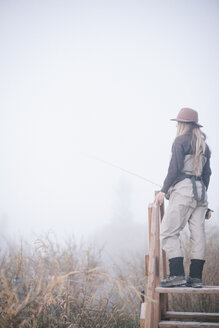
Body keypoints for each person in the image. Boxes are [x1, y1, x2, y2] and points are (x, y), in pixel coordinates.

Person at [154, 107, 211, 288]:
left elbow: (174, 168)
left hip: (184, 191)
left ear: (183, 124)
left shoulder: (180, 141)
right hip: (201, 194)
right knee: (198, 236)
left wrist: (163, 190)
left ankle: (177, 275)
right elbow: (207, 174)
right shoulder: (204, 146)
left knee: (168, 232)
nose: (177, 124)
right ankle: (195, 278)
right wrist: (201, 198)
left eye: (178, 122)